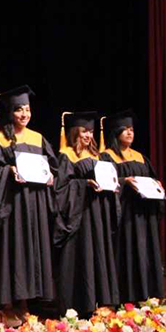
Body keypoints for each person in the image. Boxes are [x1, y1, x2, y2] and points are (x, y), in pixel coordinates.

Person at [0, 85, 57, 326]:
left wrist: (50, 176)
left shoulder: (38, 138)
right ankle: (6, 305)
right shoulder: (0, 140)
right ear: (10, 113)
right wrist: (9, 170)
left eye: (27, 109)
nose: (24, 114)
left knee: (31, 252)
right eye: (19, 110)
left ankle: (26, 303)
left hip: (34, 205)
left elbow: (53, 167)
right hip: (12, 206)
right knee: (11, 252)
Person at [53, 112, 119, 316]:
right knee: (82, 255)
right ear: (75, 132)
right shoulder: (67, 156)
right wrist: (85, 184)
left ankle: (102, 302)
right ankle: (79, 304)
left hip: (98, 214)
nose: (88, 135)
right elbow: (61, 187)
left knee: (100, 253)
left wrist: (114, 187)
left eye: (90, 131)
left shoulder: (100, 156)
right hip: (79, 216)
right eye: (84, 131)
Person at [100, 109, 165, 302]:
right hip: (125, 214)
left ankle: (147, 294)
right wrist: (123, 181)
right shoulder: (107, 156)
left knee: (146, 249)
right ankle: (125, 295)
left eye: (132, 129)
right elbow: (106, 183)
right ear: (115, 132)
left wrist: (157, 185)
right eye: (125, 129)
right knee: (126, 251)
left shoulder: (140, 157)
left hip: (143, 214)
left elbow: (150, 179)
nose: (130, 133)